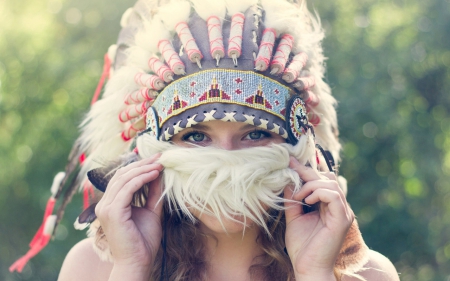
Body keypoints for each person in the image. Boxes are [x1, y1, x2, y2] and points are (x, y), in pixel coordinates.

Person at [11, 0, 400, 280]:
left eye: (256, 134)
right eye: (196, 135)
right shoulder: (93, 270)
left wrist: (315, 272)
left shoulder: (364, 275)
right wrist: (132, 269)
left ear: (300, 148)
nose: (225, 162)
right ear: (151, 151)